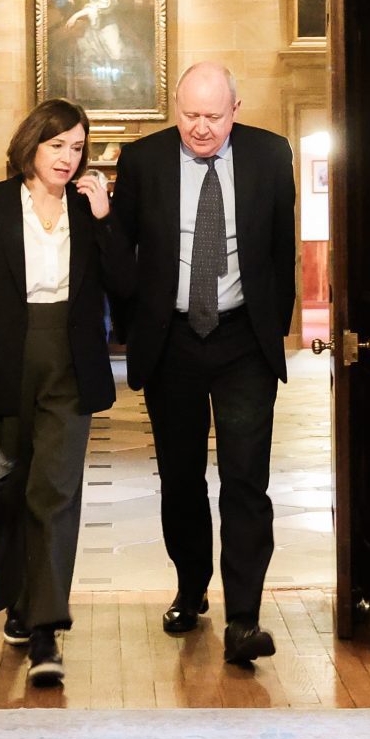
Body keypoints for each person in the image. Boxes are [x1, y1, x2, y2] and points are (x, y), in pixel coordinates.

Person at [109, 63, 299, 667]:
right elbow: (123, 253)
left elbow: (282, 250)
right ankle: (191, 590)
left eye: (213, 116)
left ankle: (244, 616)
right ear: (176, 109)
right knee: (182, 478)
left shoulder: (270, 155)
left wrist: (272, 328)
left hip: (243, 339)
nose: (200, 128)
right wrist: (137, 327)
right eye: (190, 115)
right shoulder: (143, 161)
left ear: (235, 110)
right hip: (173, 342)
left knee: (246, 477)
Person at [0, 99, 134, 688]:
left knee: (54, 491)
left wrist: (105, 219)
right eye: (57, 145)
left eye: (77, 148)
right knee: (7, 493)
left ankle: (47, 630)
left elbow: (125, 287)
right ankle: (20, 600)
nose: (68, 158)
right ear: (30, 145)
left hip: (70, 364)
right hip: (4, 363)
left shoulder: (88, 208)